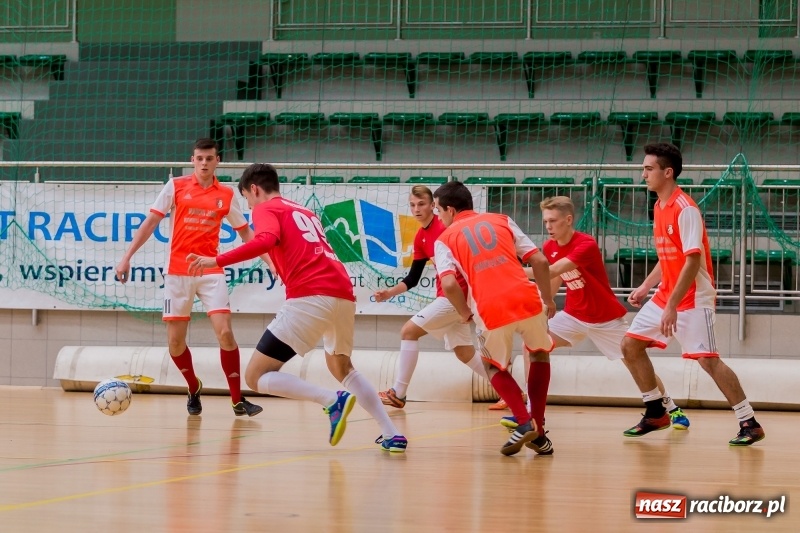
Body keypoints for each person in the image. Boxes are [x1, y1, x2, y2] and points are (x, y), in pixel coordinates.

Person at [187, 163, 407, 452]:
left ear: (254, 190)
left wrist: (215, 261)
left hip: (311, 295)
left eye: (248, 199)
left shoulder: (266, 208)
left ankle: (331, 400)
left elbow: (264, 240)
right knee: (341, 365)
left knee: (255, 376)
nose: (250, 207)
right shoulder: (302, 210)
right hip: (343, 294)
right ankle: (391, 433)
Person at [499, 196, 691, 450]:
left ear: (568, 220)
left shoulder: (586, 244)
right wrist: (546, 305)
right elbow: (553, 281)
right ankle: (533, 412)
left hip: (606, 319)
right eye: (545, 221)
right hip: (574, 316)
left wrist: (504, 271)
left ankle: (671, 408)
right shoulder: (550, 245)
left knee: (635, 363)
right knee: (532, 345)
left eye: (553, 221)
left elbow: (553, 271)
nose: (548, 226)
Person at [622, 142, 765, 446]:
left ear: (667, 172)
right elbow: (667, 257)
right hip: (666, 295)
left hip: (693, 299)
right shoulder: (659, 206)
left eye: (649, 169)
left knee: (708, 362)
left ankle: (748, 421)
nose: (643, 174)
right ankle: (656, 411)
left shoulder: (685, 209)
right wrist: (647, 287)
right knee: (630, 346)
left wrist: (672, 305)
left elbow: (692, 260)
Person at [115, 138, 262, 417]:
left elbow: (246, 234)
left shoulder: (227, 195)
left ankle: (237, 400)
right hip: (177, 274)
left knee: (226, 333)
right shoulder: (176, 186)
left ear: (218, 160)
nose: (204, 163)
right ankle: (194, 387)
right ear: (192, 160)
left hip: (210, 271)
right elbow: (150, 223)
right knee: (175, 343)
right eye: (199, 158)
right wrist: (126, 257)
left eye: (209, 158)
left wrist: (271, 260)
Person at [432, 181, 556, 456]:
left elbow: (450, 285)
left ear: (450, 210)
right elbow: (541, 262)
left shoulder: (445, 239)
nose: (438, 218)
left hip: (491, 307)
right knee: (538, 355)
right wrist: (548, 300)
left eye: (438, 211)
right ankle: (539, 430)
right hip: (528, 298)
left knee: (492, 366)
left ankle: (524, 422)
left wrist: (465, 313)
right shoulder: (501, 219)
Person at [374, 185, 490, 409]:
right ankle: (512, 390)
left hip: (456, 295)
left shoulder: (446, 226)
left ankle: (399, 392)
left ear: (433, 206)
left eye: (422, 204)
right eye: (412, 205)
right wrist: (389, 293)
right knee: (463, 352)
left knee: (409, 331)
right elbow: (413, 278)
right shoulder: (420, 237)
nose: (417, 209)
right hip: (450, 296)